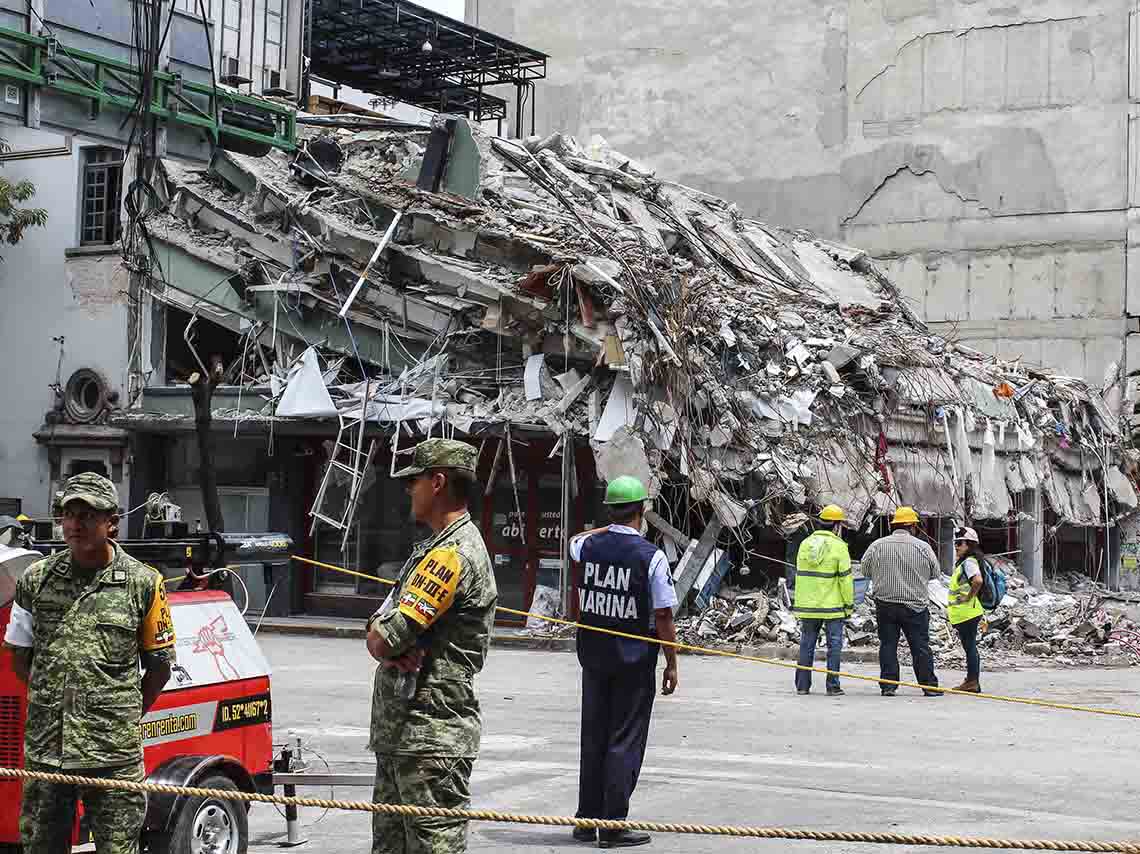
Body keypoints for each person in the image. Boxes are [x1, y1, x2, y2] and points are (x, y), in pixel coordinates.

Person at [3, 473, 175, 854]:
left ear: (111, 522)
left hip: (113, 754)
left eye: (88, 515)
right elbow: (19, 653)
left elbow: (159, 667)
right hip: (48, 750)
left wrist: (120, 717)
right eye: (69, 514)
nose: (75, 524)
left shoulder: (144, 583)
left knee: (118, 849)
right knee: (41, 847)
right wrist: (51, 703)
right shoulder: (36, 578)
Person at [365, 438, 497, 854]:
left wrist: (382, 638)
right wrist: (381, 635)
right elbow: (380, 621)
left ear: (438, 483)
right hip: (407, 736)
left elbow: (383, 636)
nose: (409, 489)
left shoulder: (451, 556)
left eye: (415, 481)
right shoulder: (435, 550)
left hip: (429, 740)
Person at [569, 475, 678, 849]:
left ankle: (586, 820)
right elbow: (663, 616)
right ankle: (612, 826)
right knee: (624, 741)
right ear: (643, 510)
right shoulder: (652, 557)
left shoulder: (587, 547)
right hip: (633, 662)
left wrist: (610, 525)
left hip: (594, 658)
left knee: (594, 737)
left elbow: (576, 542)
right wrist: (672, 662)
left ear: (611, 510)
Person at [859, 506, 942, 697]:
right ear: (912, 525)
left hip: (885, 604)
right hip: (915, 606)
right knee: (920, 646)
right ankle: (929, 686)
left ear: (894, 524)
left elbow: (865, 571)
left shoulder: (877, 546)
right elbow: (935, 574)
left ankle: (888, 685)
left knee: (888, 645)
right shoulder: (923, 547)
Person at [792, 504, 853, 696]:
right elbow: (845, 580)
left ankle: (802, 686)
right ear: (836, 525)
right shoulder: (839, 547)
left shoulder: (805, 544)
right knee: (834, 646)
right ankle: (832, 686)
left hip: (808, 606)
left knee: (806, 644)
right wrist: (848, 606)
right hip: (832, 607)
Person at [950, 526, 986, 693]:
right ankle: (971, 680)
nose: (956, 546)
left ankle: (972, 681)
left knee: (970, 647)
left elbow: (977, 581)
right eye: (956, 543)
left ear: (970, 545)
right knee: (969, 646)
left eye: (960, 543)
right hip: (966, 613)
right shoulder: (966, 562)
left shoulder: (969, 562)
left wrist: (968, 597)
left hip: (968, 613)